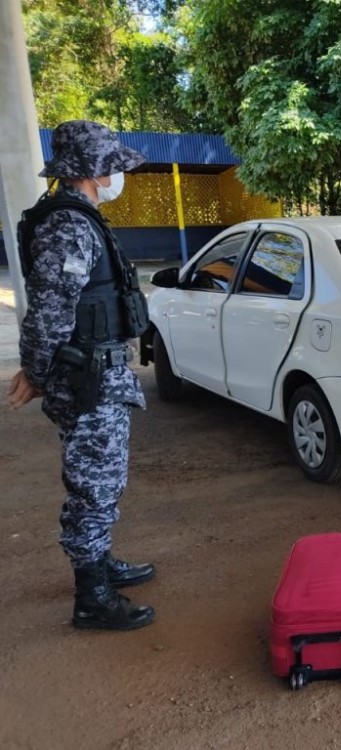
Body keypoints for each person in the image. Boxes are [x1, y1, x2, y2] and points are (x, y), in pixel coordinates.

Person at [6, 120, 155, 631]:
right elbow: (50, 310)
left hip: (94, 374)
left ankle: (101, 562)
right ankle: (91, 595)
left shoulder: (77, 219)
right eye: (112, 166)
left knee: (102, 478)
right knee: (95, 482)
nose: (118, 174)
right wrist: (37, 371)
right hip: (87, 378)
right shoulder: (68, 225)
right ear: (93, 171)